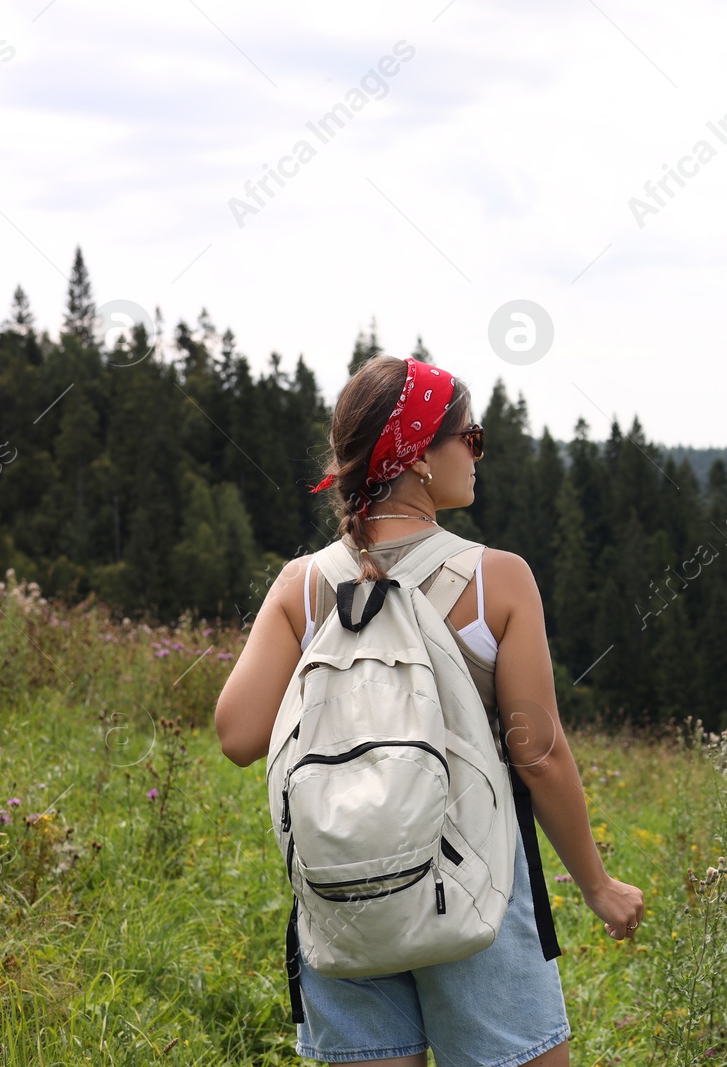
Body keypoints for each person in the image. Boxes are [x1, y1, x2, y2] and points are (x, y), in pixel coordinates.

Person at [215, 355, 644, 1067]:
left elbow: (237, 735)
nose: (479, 452)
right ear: (417, 454)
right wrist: (596, 884)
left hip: (344, 891)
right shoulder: (495, 579)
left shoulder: (304, 585)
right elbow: (538, 753)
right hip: (472, 884)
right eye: (469, 437)